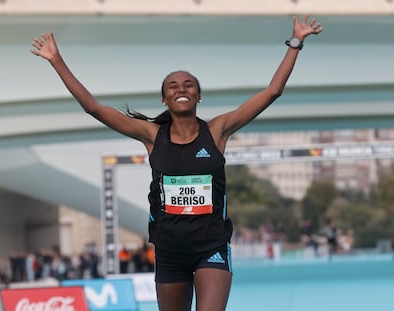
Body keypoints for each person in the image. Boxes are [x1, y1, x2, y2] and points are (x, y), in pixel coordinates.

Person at [31, 15, 323, 311]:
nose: (180, 88)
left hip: (211, 248)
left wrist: (295, 43)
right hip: (169, 251)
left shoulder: (217, 131)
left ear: (198, 96)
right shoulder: (151, 135)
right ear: (163, 99)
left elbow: (272, 92)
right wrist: (56, 60)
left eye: (188, 85)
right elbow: (92, 107)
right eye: (172, 86)